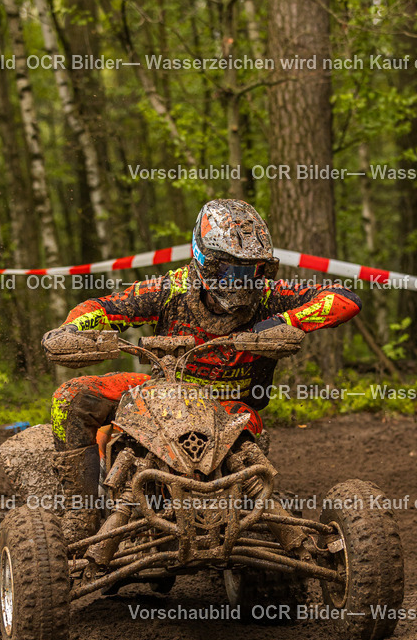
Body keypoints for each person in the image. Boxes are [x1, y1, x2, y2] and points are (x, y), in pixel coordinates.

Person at [42, 198, 361, 538]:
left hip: (230, 408)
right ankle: (80, 512)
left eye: (249, 270)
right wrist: (72, 331)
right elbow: (101, 307)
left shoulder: (269, 296)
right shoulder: (171, 290)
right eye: (228, 270)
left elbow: (345, 298)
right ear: (204, 261)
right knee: (70, 397)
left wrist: (287, 321)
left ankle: (266, 520)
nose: (239, 281)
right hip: (160, 394)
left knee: (245, 459)